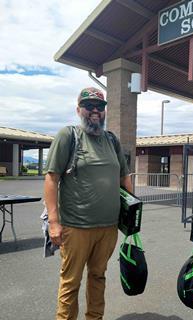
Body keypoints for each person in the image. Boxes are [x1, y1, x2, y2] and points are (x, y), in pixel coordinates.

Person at [44, 87, 132, 320]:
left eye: (100, 106)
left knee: (98, 277)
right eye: (89, 106)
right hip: (76, 227)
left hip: (108, 228)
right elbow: (52, 178)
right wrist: (54, 222)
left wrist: (133, 213)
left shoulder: (112, 140)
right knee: (71, 282)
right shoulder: (69, 136)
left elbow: (124, 178)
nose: (95, 110)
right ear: (78, 109)